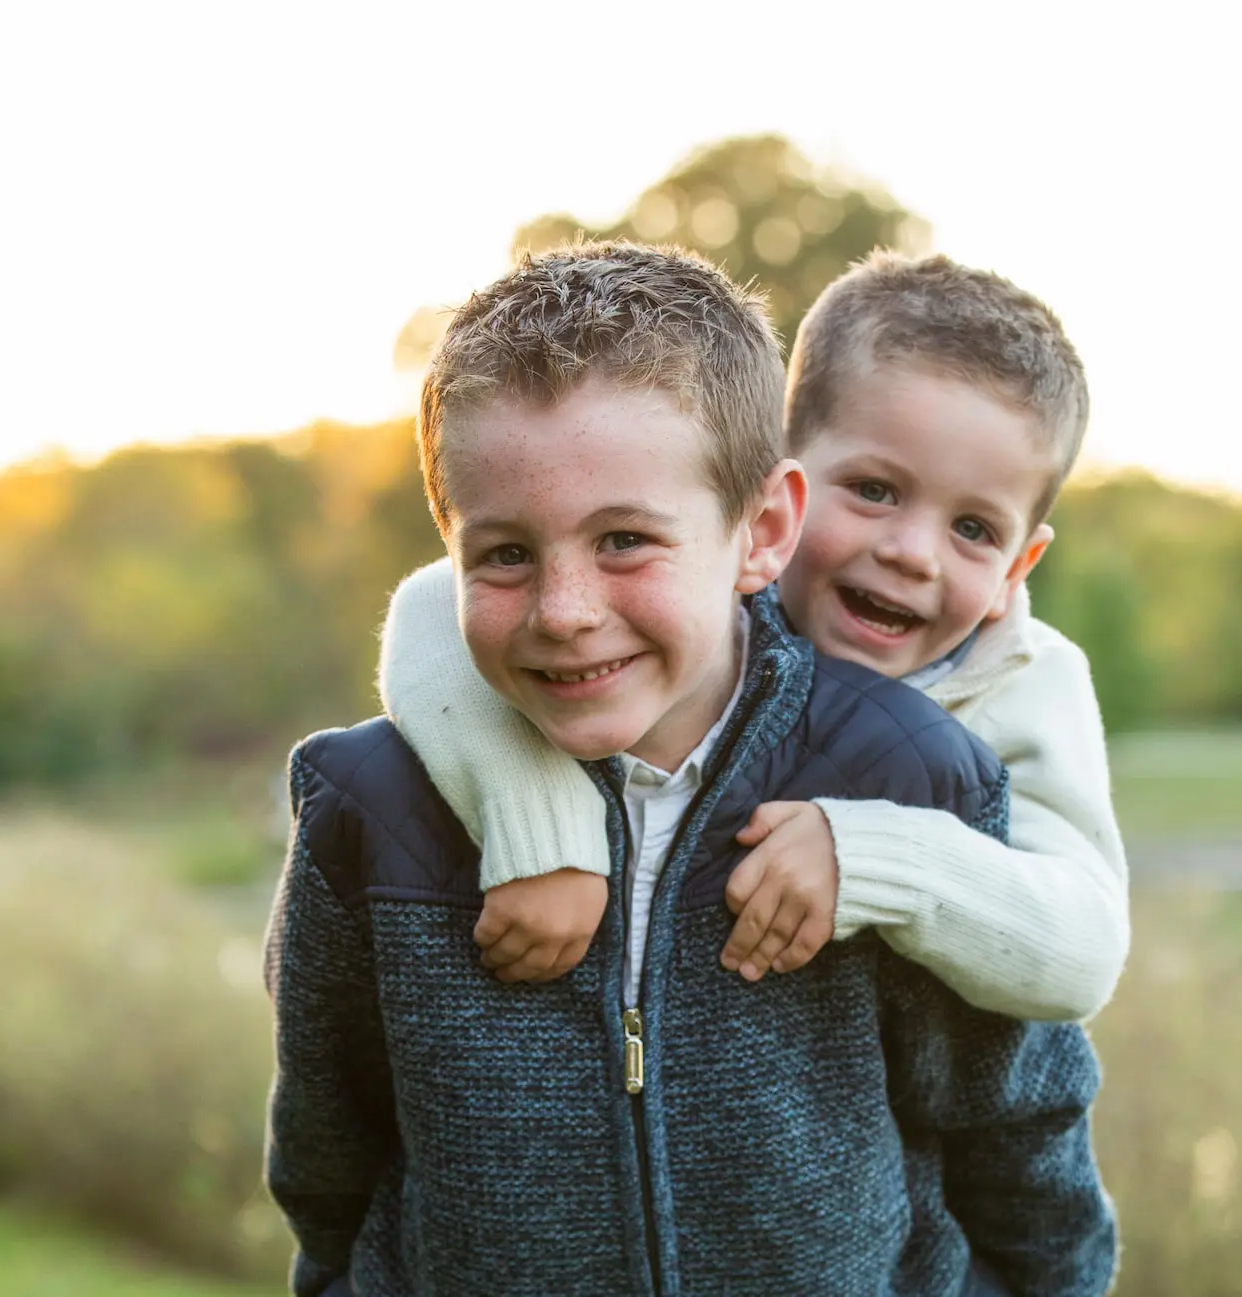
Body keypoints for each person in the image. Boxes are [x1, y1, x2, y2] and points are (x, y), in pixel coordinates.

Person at [265, 242, 1116, 1295]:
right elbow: (327, 1157)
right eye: (506, 554)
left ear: (763, 525)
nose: (565, 609)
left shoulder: (939, 764)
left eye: (626, 540)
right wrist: (536, 824)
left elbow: (1023, 1120)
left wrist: (879, 857)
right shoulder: (374, 808)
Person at [381, 251, 1128, 1020]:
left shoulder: (1029, 681)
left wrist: (870, 858)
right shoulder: (708, 578)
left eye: (973, 528)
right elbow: (433, 609)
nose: (912, 551)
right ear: (771, 486)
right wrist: (542, 827)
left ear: (1018, 565)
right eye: (874, 490)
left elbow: (1083, 953)